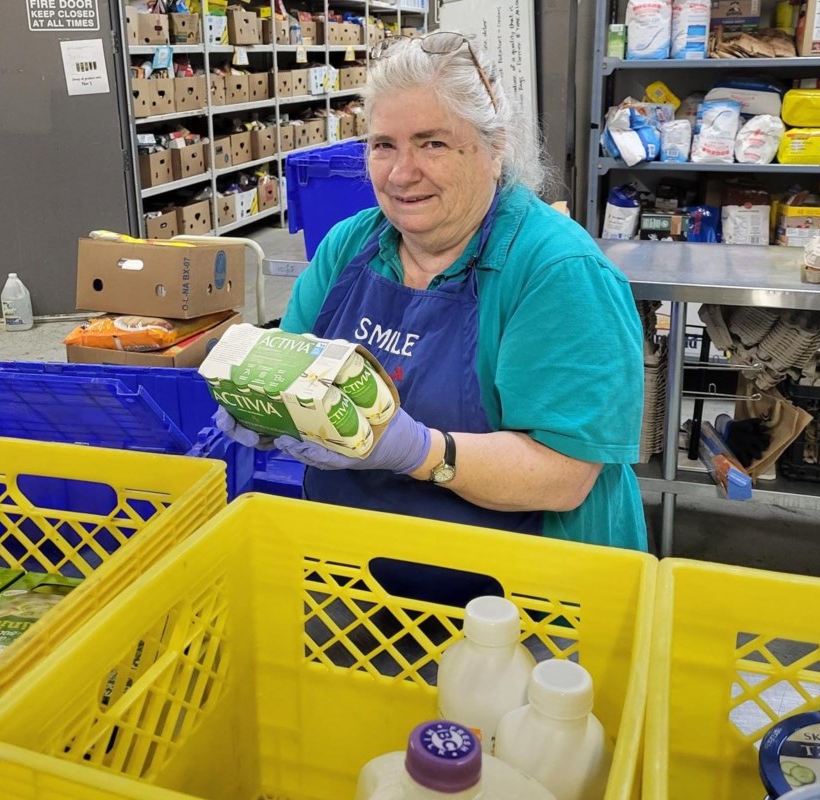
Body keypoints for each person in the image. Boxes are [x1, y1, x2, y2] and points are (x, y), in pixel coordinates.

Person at [219, 31, 646, 556]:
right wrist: (265, 407)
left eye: (433, 143)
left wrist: (419, 450)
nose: (402, 173)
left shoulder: (556, 272)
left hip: (518, 595)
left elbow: (564, 476)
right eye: (383, 145)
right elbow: (294, 371)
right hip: (354, 574)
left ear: (494, 148)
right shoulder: (348, 246)